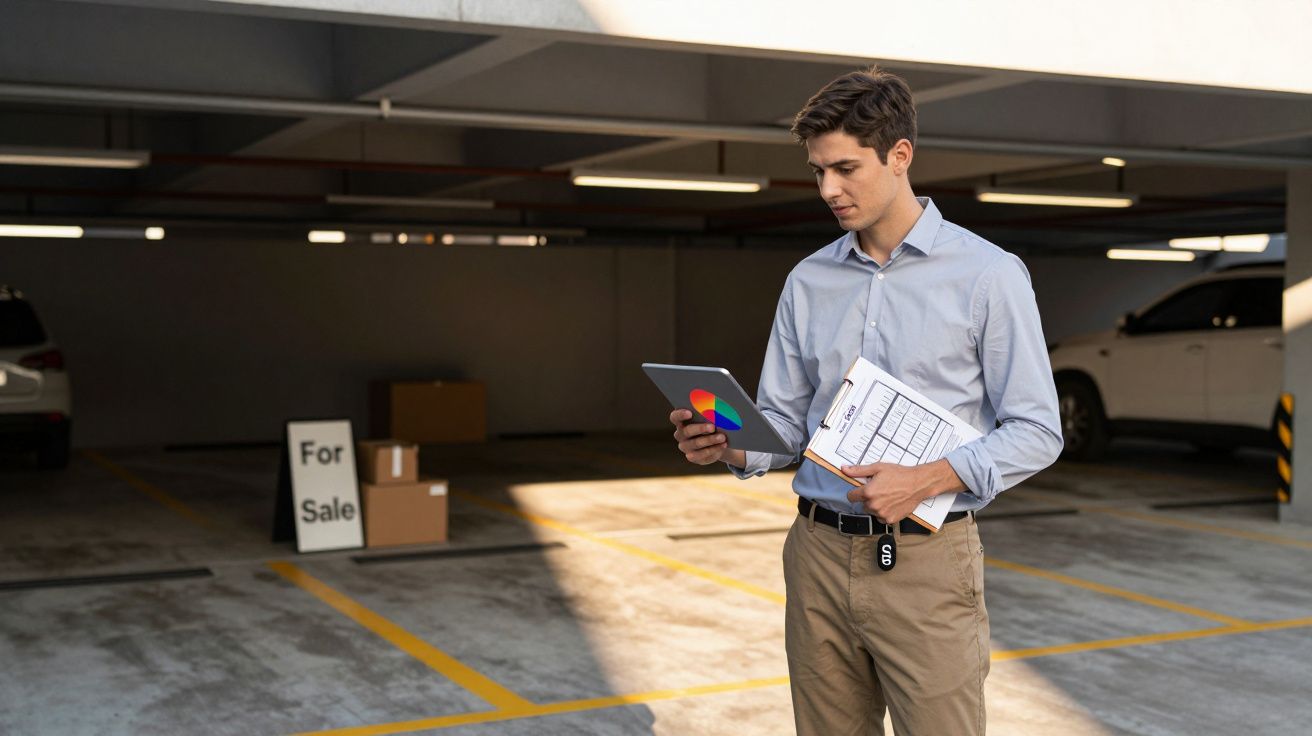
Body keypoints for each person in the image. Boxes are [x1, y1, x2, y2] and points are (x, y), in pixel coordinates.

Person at [669, 67, 1063, 735]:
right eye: (819, 171)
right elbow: (787, 424)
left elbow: (1038, 429)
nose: (829, 189)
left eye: (846, 168)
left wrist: (929, 479)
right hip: (817, 554)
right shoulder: (808, 280)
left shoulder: (989, 276)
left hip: (928, 563)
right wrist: (731, 442)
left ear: (899, 155)